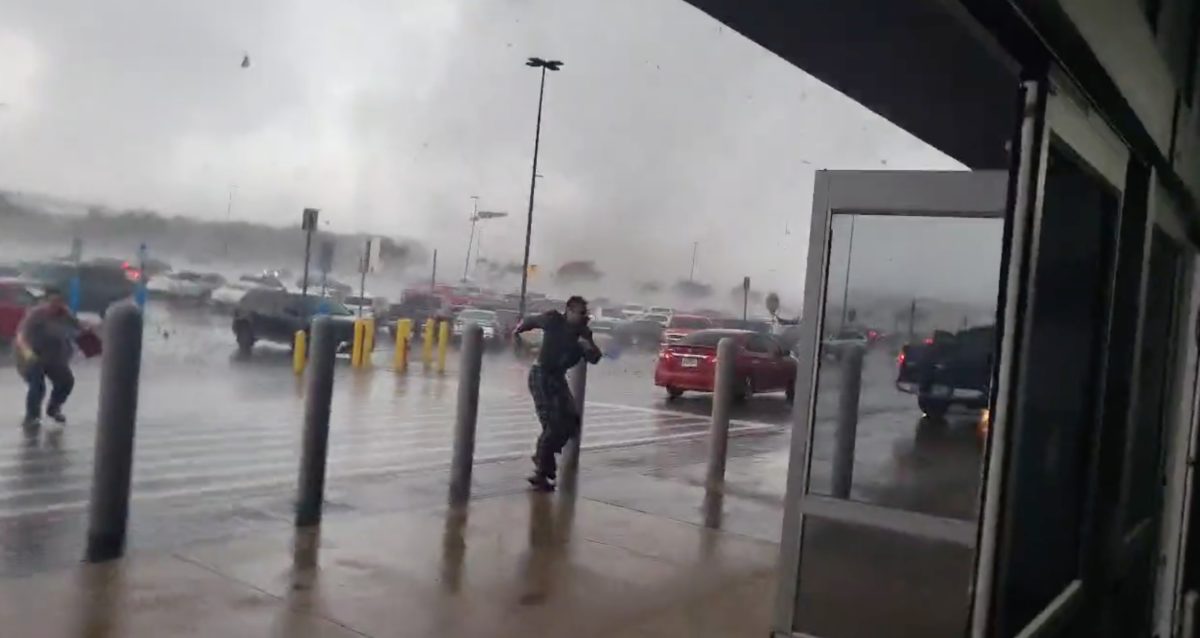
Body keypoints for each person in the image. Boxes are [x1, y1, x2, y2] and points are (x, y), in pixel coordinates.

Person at [514, 296, 602, 491]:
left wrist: (587, 346)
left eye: (584, 313)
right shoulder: (553, 319)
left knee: (571, 422)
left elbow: (595, 357)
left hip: (557, 378)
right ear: (568, 311)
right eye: (579, 313)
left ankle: (543, 457)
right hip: (541, 375)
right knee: (552, 424)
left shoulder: (583, 333)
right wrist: (520, 329)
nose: (582, 317)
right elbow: (532, 321)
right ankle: (542, 470)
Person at [14, 288, 83, 429]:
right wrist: (29, 354)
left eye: (59, 302)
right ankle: (31, 417)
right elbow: (21, 337)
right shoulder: (36, 315)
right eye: (52, 302)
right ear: (45, 302)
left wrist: (92, 331)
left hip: (53, 357)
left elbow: (79, 328)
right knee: (37, 385)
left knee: (66, 382)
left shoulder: (65, 314)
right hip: (31, 355)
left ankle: (54, 408)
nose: (55, 306)